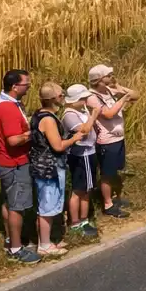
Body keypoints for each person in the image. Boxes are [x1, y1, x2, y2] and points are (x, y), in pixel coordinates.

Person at [29, 82, 96, 258]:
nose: (63, 98)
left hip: (47, 166)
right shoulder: (49, 120)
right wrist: (74, 139)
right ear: (52, 99)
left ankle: (50, 240)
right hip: (48, 168)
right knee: (47, 207)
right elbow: (57, 146)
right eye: (60, 95)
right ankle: (44, 244)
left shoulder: (41, 114)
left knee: (51, 205)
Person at [0, 69, 39, 263]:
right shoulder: (9, 109)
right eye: (26, 84)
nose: (28, 87)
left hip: (5, 161)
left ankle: (12, 238)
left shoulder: (5, 102)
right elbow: (13, 140)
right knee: (17, 206)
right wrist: (33, 133)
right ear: (15, 87)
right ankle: (16, 249)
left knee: (10, 202)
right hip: (14, 162)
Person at [86, 64, 136, 218]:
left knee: (115, 170)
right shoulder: (92, 97)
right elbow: (108, 113)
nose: (111, 77)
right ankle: (107, 204)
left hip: (118, 138)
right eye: (108, 75)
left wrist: (121, 88)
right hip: (106, 141)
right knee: (107, 174)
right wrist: (123, 99)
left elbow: (136, 95)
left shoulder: (108, 90)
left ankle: (115, 198)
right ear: (99, 80)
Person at [61, 85, 99, 239]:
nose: (85, 101)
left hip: (88, 153)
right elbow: (84, 130)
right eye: (82, 98)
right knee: (79, 190)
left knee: (86, 188)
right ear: (74, 100)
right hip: (81, 155)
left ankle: (83, 219)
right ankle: (77, 222)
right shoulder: (69, 114)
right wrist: (94, 115)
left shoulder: (80, 110)